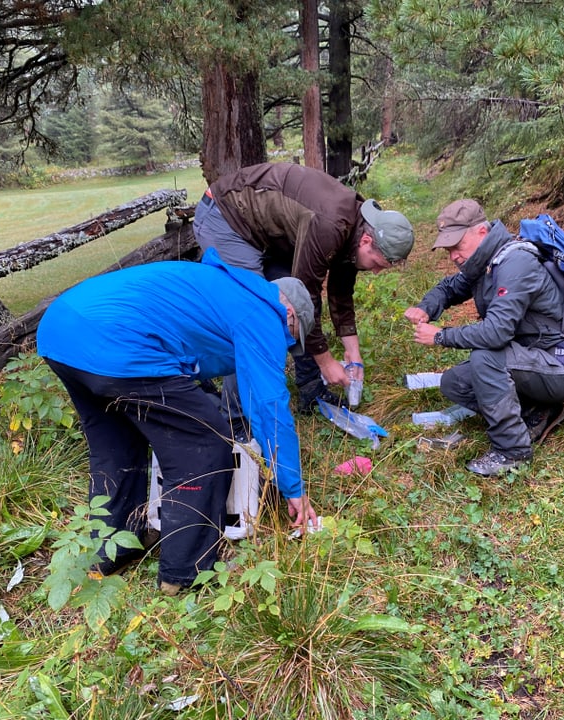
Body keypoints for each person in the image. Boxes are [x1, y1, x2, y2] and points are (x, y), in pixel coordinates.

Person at [36, 250, 319, 595]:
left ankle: (113, 550)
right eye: (292, 336)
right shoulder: (262, 313)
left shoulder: (227, 290)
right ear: (289, 312)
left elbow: (188, 358)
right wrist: (294, 489)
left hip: (62, 331)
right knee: (205, 447)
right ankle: (185, 572)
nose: (286, 346)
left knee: (118, 447)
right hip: (116, 341)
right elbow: (269, 406)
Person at [193, 162, 415, 412]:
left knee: (291, 303)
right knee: (252, 314)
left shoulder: (359, 227)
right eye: (378, 264)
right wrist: (326, 361)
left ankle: (310, 388)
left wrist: (353, 352)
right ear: (367, 241)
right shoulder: (330, 225)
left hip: (268, 236)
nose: (375, 272)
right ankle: (236, 418)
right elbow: (305, 294)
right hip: (228, 218)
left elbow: (340, 291)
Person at [404, 199, 564, 476]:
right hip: (533, 358)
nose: (453, 255)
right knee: (455, 383)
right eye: (448, 248)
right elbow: (450, 288)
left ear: (481, 232)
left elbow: (496, 332)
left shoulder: (515, 263)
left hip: (561, 366)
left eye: (456, 245)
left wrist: (441, 336)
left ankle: (511, 452)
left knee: (486, 357)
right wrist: (426, 308)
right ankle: (539, 412)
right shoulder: (486, 261)